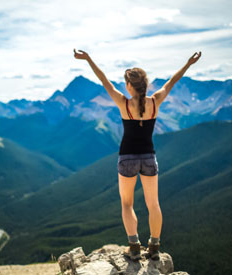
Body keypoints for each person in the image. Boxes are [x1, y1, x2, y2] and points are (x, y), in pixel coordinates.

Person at [74, 48, 201, 261]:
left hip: (127, 158)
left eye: (126, 83)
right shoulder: (155, 102)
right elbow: (172, 81)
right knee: (154, 204)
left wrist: (88, 59)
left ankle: (133, 246)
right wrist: (188, 64)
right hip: (149, 157)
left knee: (127, 204)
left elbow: (104, 80)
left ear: (130, 86)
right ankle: (154, 246)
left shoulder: (124, 103)